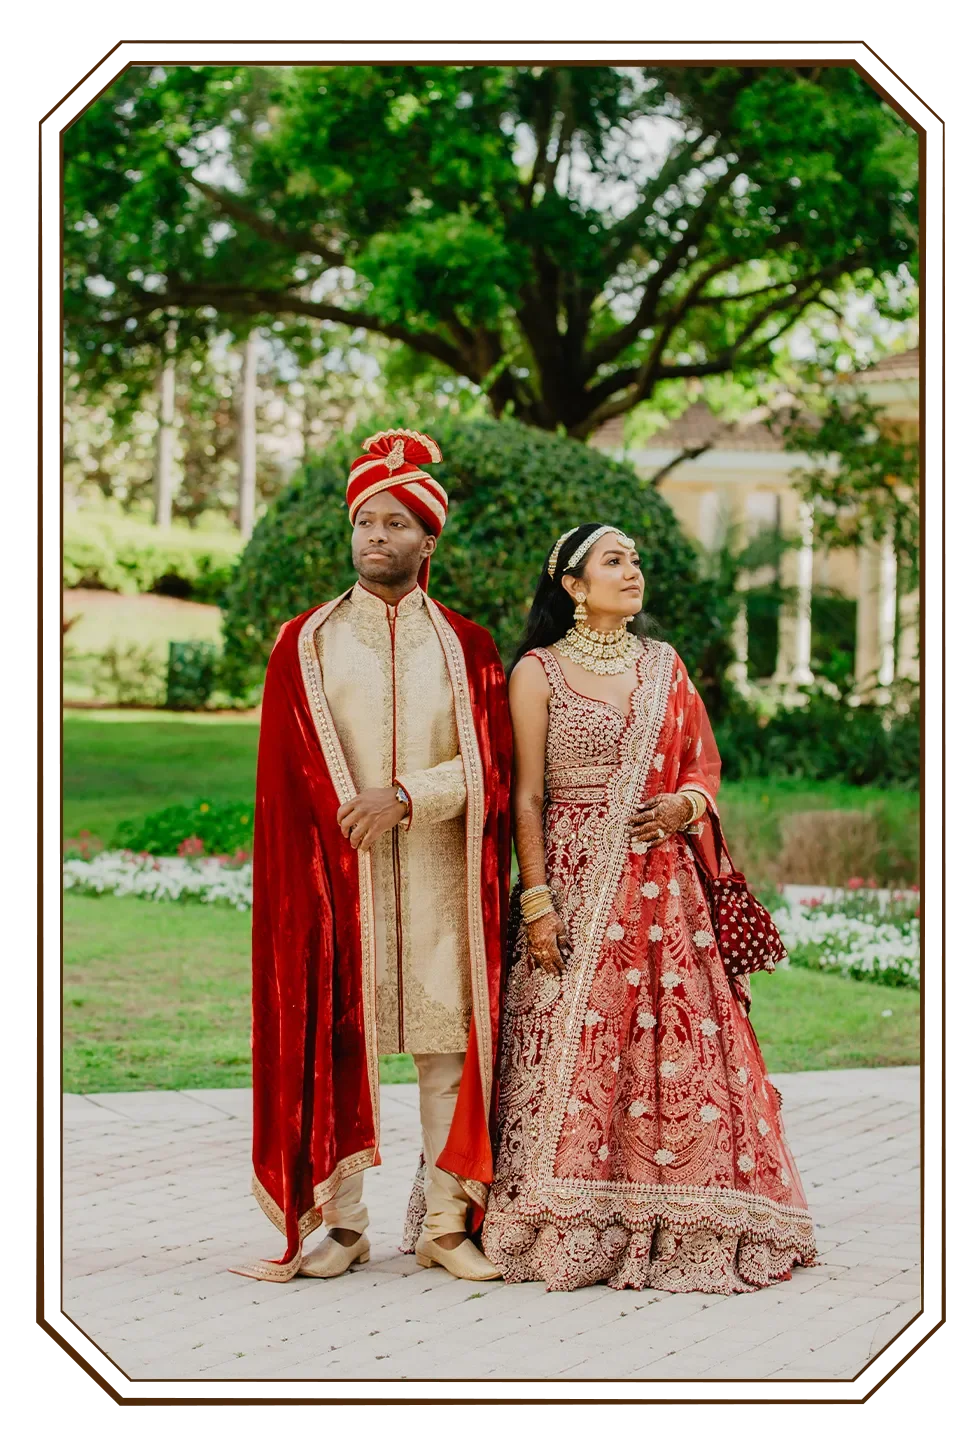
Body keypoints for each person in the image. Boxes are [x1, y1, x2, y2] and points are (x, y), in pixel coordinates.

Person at [481, 524, 816, 1293]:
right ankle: (564, 1220)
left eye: (634, 561)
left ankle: (683, 1221)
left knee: (678, 1058)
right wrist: (536, 902)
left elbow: (705, 767)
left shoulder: (665, 668)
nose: (631, 572)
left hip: (667, 895)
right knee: (575, 1052)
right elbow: (527, 796)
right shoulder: (537, 672)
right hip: (571, 882)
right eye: (613, 561)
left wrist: (685, 805)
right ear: (572, 584)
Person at [232, 429, 512, 1285]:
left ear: (428, 540)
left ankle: (443, 1225)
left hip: (437, 875)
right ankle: (343, 1227)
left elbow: (494, 767)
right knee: (337, 1042)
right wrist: (338, 827)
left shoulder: (467, 647)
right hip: (334, 883)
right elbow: (283, 776)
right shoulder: (304, 643)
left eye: (396, 523)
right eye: (365, 522)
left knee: (444, 1053)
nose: (377, 537)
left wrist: (406, 795)